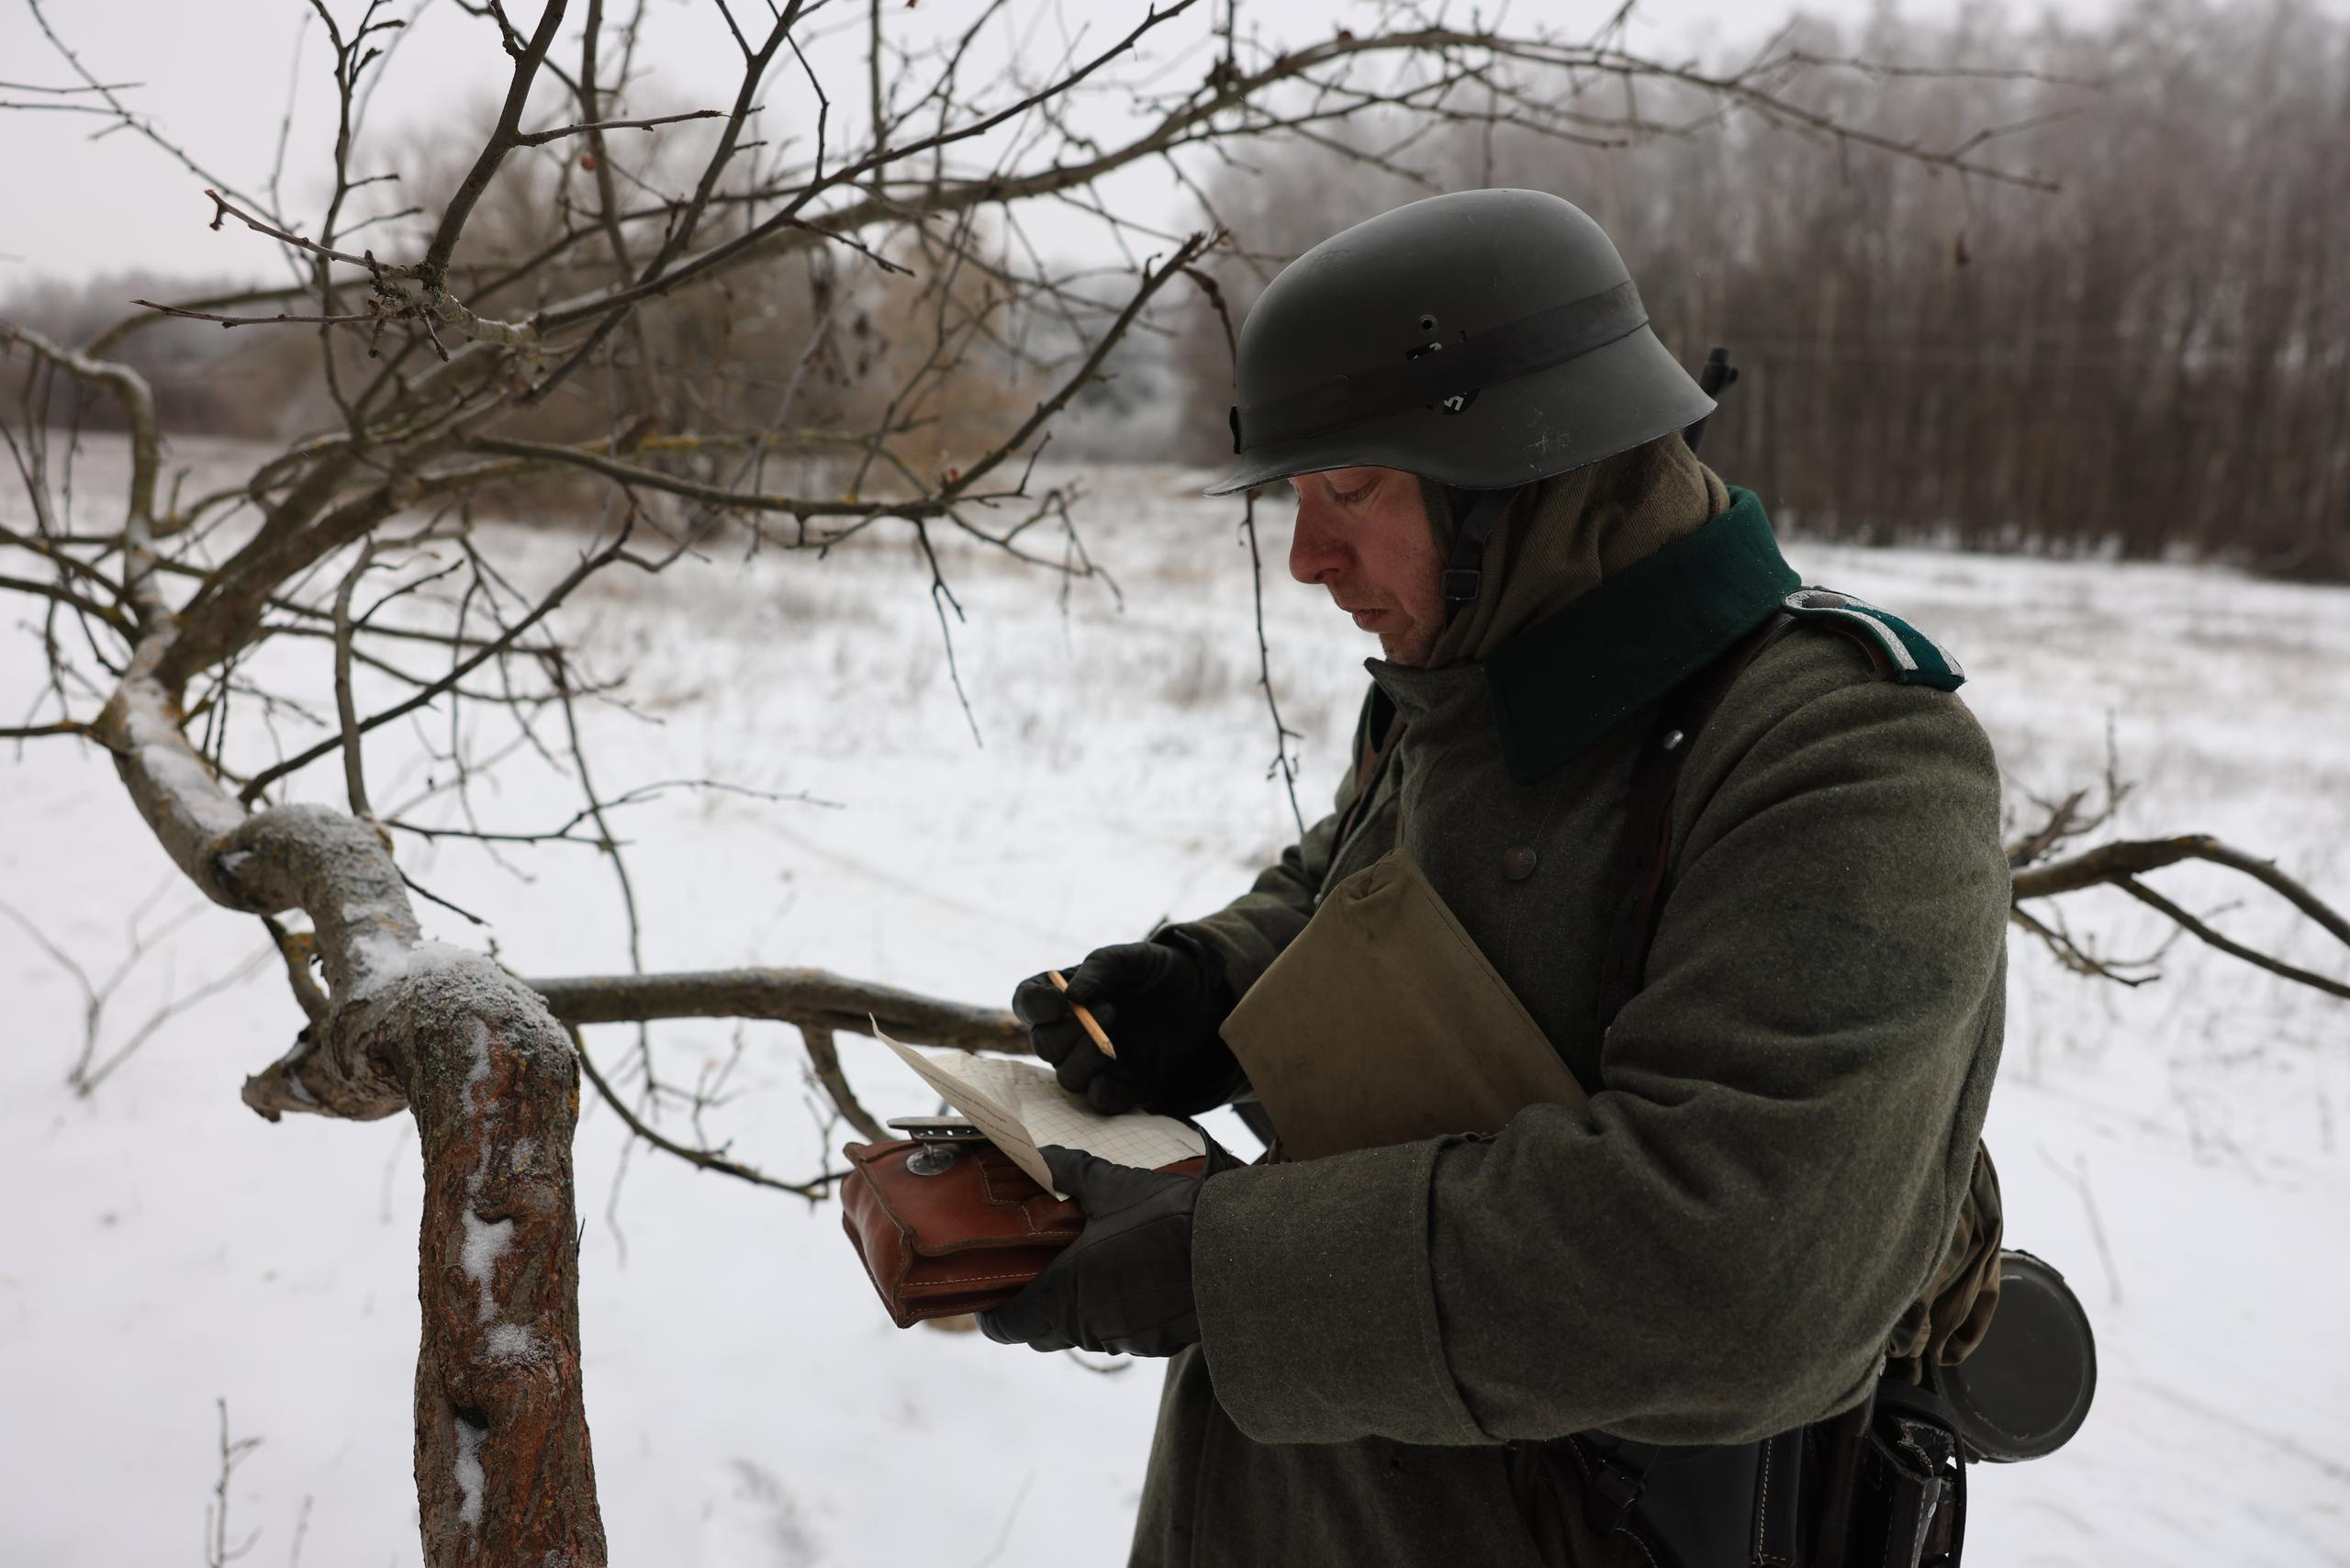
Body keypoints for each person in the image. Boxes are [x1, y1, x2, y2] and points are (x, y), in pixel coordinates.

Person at [979, 188, 2010, 1567]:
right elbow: (1370, 895)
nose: (1308, 556)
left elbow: (1734, 1264)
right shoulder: (1467, 674)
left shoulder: (1848, 753)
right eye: (1299, 494)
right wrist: (1206, 987)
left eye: (1351, 487)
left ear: (1527, 474)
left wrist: (1224, 1264)